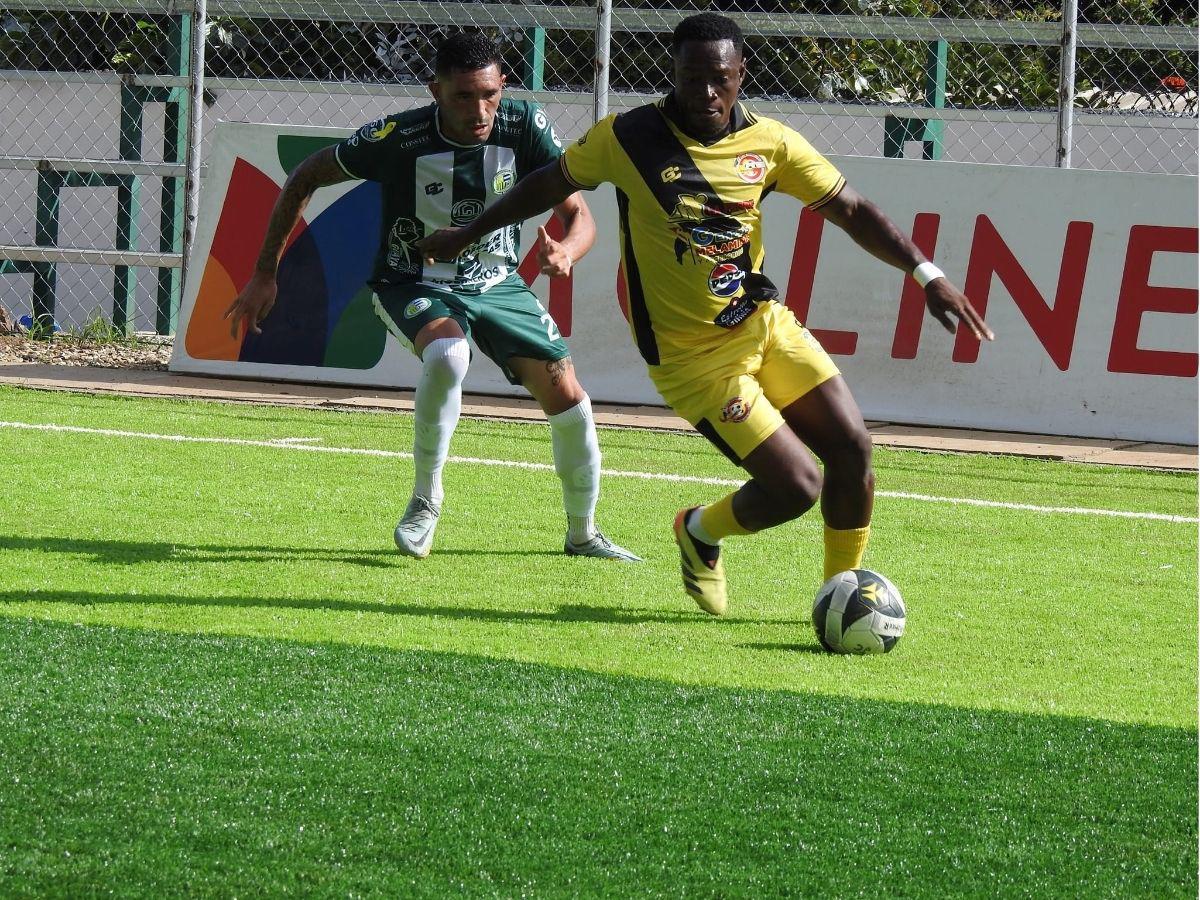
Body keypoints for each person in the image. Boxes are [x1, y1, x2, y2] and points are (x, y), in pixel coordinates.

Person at [417, 13, 994, 614]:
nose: (706, 93)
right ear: (673, 73)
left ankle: (840, 596)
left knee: (853, 450)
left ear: (741, 74)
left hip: (764, 324)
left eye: (719, 79)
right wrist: (468, 234)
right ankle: (700, 530)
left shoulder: (771, 143)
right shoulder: (628, 137)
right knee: (798, 486)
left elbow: (851, 209)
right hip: (693, 362)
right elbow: (546, 183)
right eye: (692, 78)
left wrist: (926, 274)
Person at [224, 31, 640, 562]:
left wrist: (567, 254)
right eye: (463, 96)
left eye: (488, 94)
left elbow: (578, 215)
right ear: (436, 91)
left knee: (570, 398)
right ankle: (426, 500)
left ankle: (582, 533)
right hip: (411, 283)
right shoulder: (398, 137)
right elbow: (306, 174)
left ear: (502, 86)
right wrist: (265, 273)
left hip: (496, 284)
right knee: (448, 354)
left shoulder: (525, 126)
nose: (479, 109)